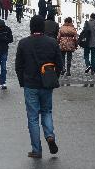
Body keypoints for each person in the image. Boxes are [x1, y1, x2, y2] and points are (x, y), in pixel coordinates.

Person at [15, 16, 63, 159]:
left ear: (31, 27)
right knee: (47, 111)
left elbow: (19, 66)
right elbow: (59, 64)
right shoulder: (52, 42)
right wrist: (54, 78)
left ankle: (36, 149)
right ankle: (49, 136)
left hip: (30, 84)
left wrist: (22, 81)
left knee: (33, 117)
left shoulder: (23, 43)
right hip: (47, 84)